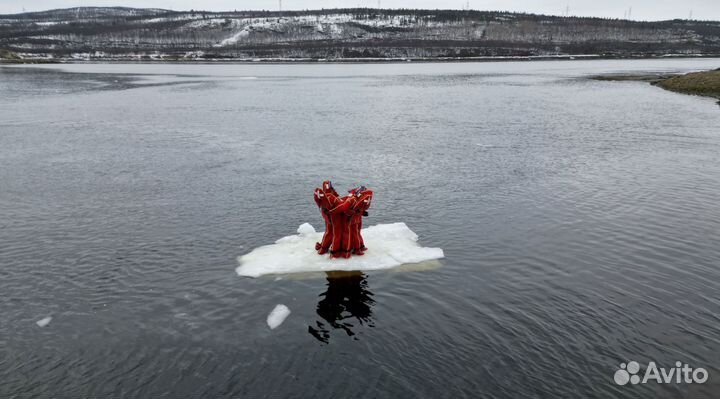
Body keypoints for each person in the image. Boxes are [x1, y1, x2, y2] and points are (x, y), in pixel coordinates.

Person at [314, 181, 340, 255]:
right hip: (333, 218)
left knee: (328, 232)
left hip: (327, 218)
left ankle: (324, 247)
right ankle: (334, 250)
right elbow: (340, 206)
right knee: (335, 233)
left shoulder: (323, 198)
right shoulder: (331, 197)